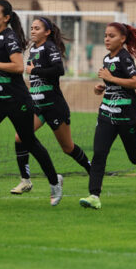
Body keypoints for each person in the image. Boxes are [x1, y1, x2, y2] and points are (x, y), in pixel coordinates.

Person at [0, 0, 64, 206]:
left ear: (6, 18)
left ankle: (54, 181)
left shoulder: (10, 37)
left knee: (29, 141)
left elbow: (18, 67)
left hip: (16, 99)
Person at [79, 22, 136, 210]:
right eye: (105, 35)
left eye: (111, 36)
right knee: (99, 154)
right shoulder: (107, 59)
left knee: (135, 156)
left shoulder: (124, 58)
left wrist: (111, 79)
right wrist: (103, 87)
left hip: (128, 116)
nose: (107, 39)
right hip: (107, 114)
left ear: (122, 39)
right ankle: (94, 196)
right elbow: (116, 84)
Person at [10, 16, 91, 194]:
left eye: (37, 28)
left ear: (47, 32)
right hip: (37, 105)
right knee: (20, 137)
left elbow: (58, 70)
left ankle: (92, 170)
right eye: (31, 28)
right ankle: (25, 181)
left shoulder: (50, 47)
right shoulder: (33, 49)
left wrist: (34, 70)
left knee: (67, 147)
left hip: (54, 105)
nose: (32, 31)